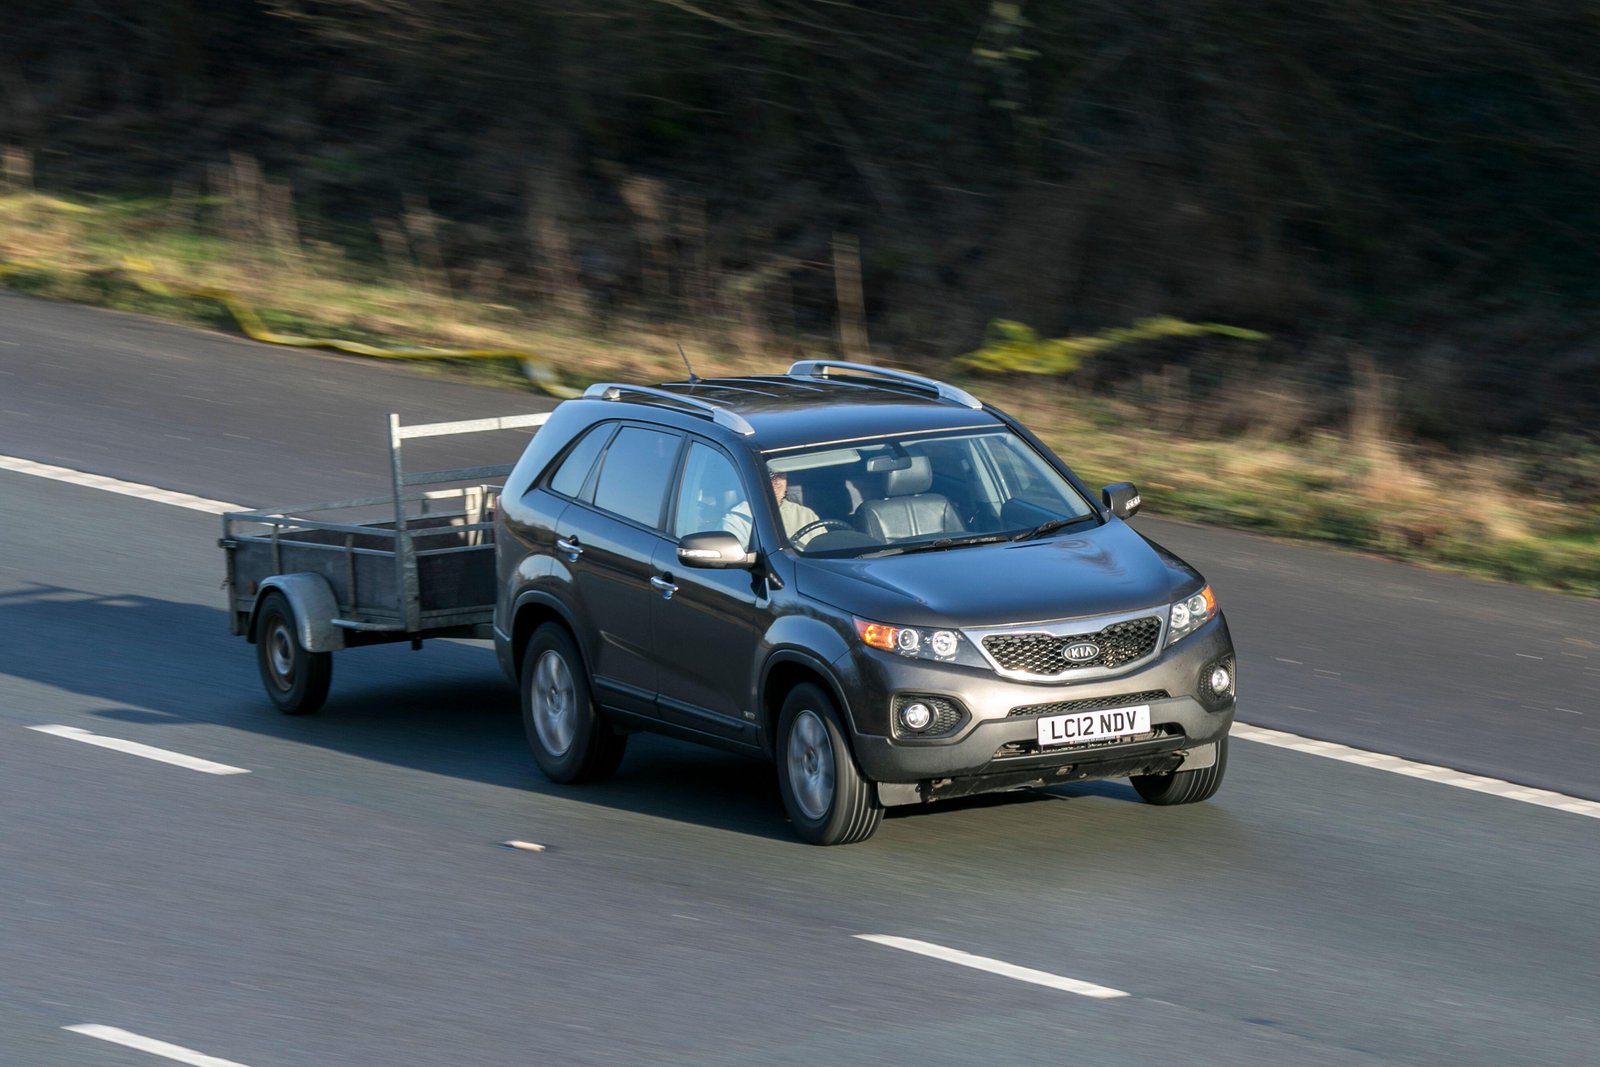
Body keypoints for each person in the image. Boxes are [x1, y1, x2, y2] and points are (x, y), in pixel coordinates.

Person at [721, 468, 824, 549]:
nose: (777, 482)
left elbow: (825, 550)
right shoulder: (737, 519)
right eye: (770, 476)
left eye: (781, 475)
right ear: (754, 479)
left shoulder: (805, 515)